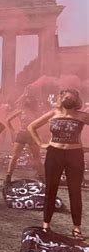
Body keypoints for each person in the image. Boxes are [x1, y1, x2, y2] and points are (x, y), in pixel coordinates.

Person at [28, 89, 88, 240]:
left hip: (74, 155)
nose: (68, 99)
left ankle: (76, 228)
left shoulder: (82, 116)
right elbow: (31, 126)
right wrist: (40, 143)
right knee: (50, 190)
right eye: (65, 97)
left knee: (75, 191)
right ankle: (46, 225)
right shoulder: (53, 113)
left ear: (76, 100)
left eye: (71, 97)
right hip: (54, 153)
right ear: (61, 99)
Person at [5, 94, 44, 182]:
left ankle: (42, 177)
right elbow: (8, 120)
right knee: (15, 156)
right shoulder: (20, 110)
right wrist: (13, 131)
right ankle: (8, 176)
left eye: (30, 99)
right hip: (22, 134)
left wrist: (39, 133)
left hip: (32, 135)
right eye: (27, 99)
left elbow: (42, 123)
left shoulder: (36, 113)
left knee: (36, 157)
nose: (28, 101)